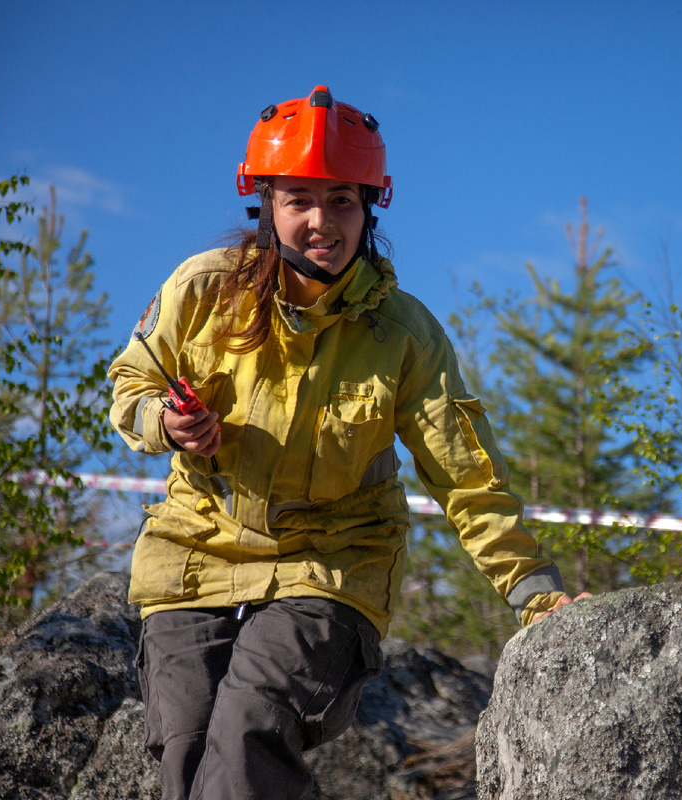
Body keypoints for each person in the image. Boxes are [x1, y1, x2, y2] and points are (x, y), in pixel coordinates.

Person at [109, 85, 587, 800]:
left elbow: (466, 476)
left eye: (341, 200)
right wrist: (165, 422)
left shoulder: (403, 334)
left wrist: (535, 593)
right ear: (263, 202)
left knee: (248, 735)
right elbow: (131, 385)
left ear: (371, 207)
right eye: (298, 198)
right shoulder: (202, 290)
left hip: (332, 568)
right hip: (193, 556)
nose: (320, 221)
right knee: (184, 752)